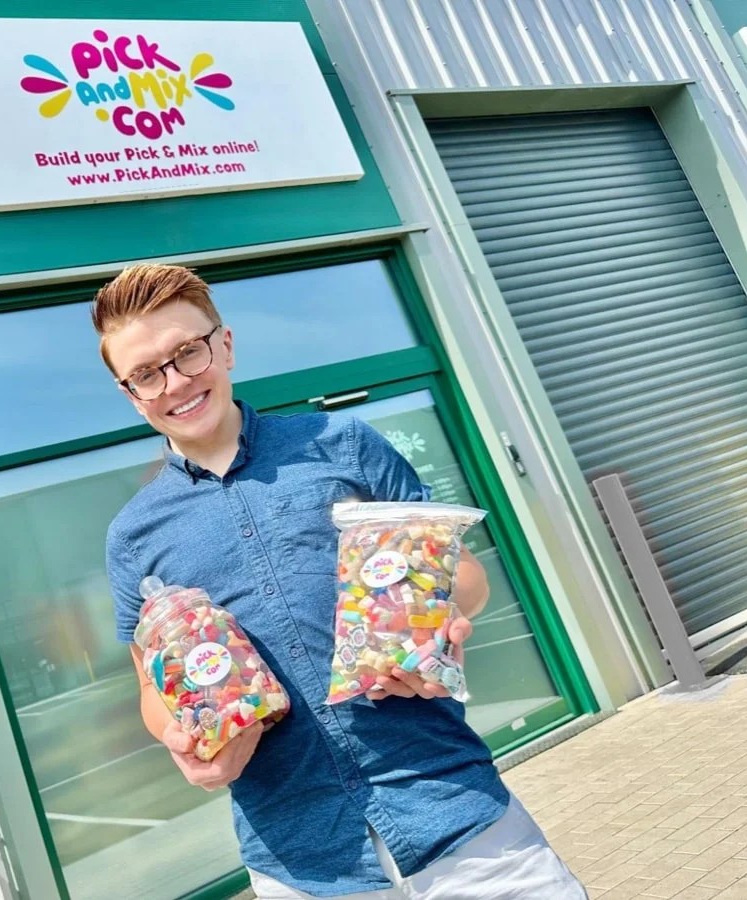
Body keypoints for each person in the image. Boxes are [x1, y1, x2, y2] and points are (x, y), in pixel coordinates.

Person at [93, 264, 586, 899]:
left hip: (451, 808)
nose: (176, 383)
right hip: (300, 856)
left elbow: (463, 575)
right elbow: (150, 683)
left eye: (188, 351)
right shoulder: (133, 535)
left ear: (225, 344)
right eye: (146, 373)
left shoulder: (342, 444)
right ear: (131, 393)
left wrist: (436, 621)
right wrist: (182, 741)